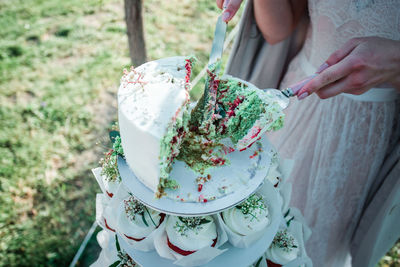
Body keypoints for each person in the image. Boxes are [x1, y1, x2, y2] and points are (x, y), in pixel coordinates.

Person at [216, 0, 400, 266]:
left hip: (361, 135)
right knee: (249, 214)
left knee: (307, 242)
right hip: (292, 104)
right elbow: (277, 31)